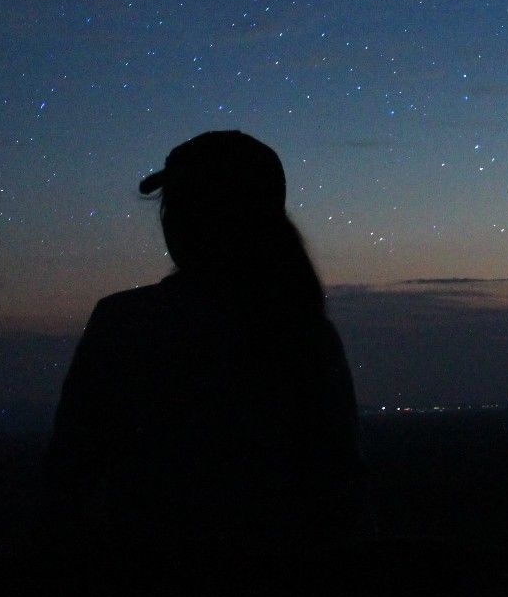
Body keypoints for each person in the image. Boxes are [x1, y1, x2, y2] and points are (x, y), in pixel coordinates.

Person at [42, 131, 363, 548]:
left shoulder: (127, 324)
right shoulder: (303, 330)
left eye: (177, 204)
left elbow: (70, 475)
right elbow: (341, 488)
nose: (168, 219)